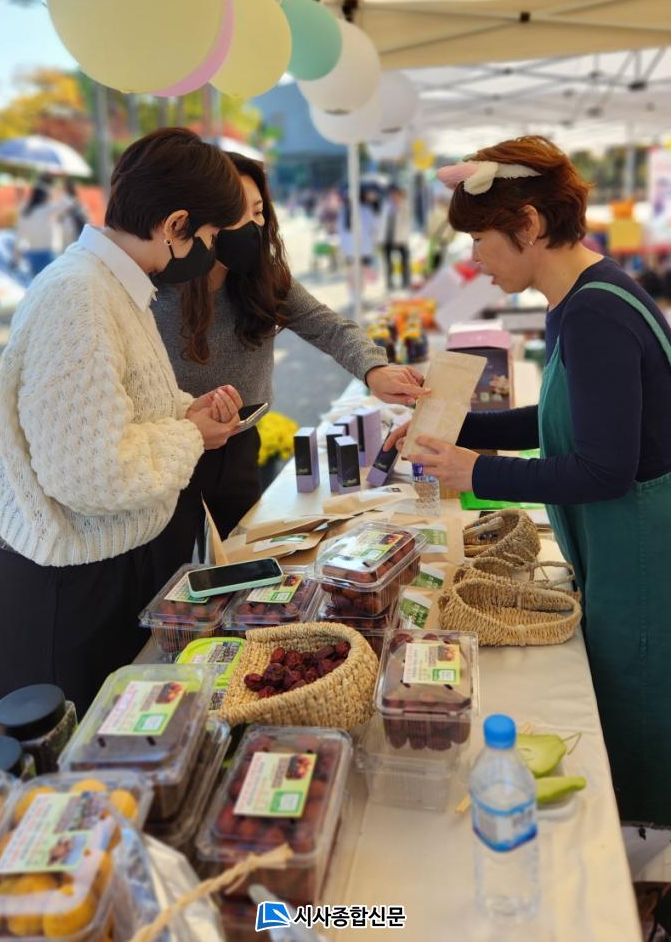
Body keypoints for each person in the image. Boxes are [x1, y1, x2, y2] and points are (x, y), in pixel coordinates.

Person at [386, 135, 671, 826]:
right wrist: (449, 427)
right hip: (621, 539)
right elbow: (555, 418)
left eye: (480, 240)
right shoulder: (580, 297)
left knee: (639, 700)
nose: (475, 260)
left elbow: (603, 469)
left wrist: (474, 469)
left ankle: (642, 852)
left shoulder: (596, 313)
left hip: (641, 550)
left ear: (530, 225)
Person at [0, 128, 246, 716]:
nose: (209, 251)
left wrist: (185, 409)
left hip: (111, 568)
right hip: (71, 593)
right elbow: (92, 470)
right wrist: (191, 435)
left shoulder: (112, 286)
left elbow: (118, 406)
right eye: (208, 236)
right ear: (176, 224)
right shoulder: (78, 296)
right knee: (80, 756)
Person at [153, 152, 428, 541]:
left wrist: (373, 368)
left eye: (258, 212)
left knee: (240, 551)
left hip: (240, 442)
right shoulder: (158, 286)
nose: (253, 225)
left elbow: (327, 325)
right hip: (171, 447)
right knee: (171, 563)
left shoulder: (264, 277)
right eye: (236, 213)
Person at [14, 179, 69, 277]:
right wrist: (57, 192)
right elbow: (66, 204)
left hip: (32, 254)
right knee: (51, 282)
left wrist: (16, 259)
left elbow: (20, 236)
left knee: (37, 283)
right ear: (46, 197)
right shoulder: (47, 209)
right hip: (48, 253)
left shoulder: (27, 212)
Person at [378, 184, 411, 290]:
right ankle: (390, 283)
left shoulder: (404, 205)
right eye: (392, 194)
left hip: (401, 238)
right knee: (388, 262)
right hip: (387, 238)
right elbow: (382, 223)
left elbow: (406, 223)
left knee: (404, 261)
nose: (394, 196)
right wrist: (380, 238)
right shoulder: (386, 205)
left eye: (396, 194)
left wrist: (403, 238)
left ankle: (405, 283)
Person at [58, 176, 89, 249]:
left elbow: (60, 213)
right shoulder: (77, 200)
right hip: (77, 228)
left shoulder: (64, 198)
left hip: (69, 225)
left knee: (68, 246)